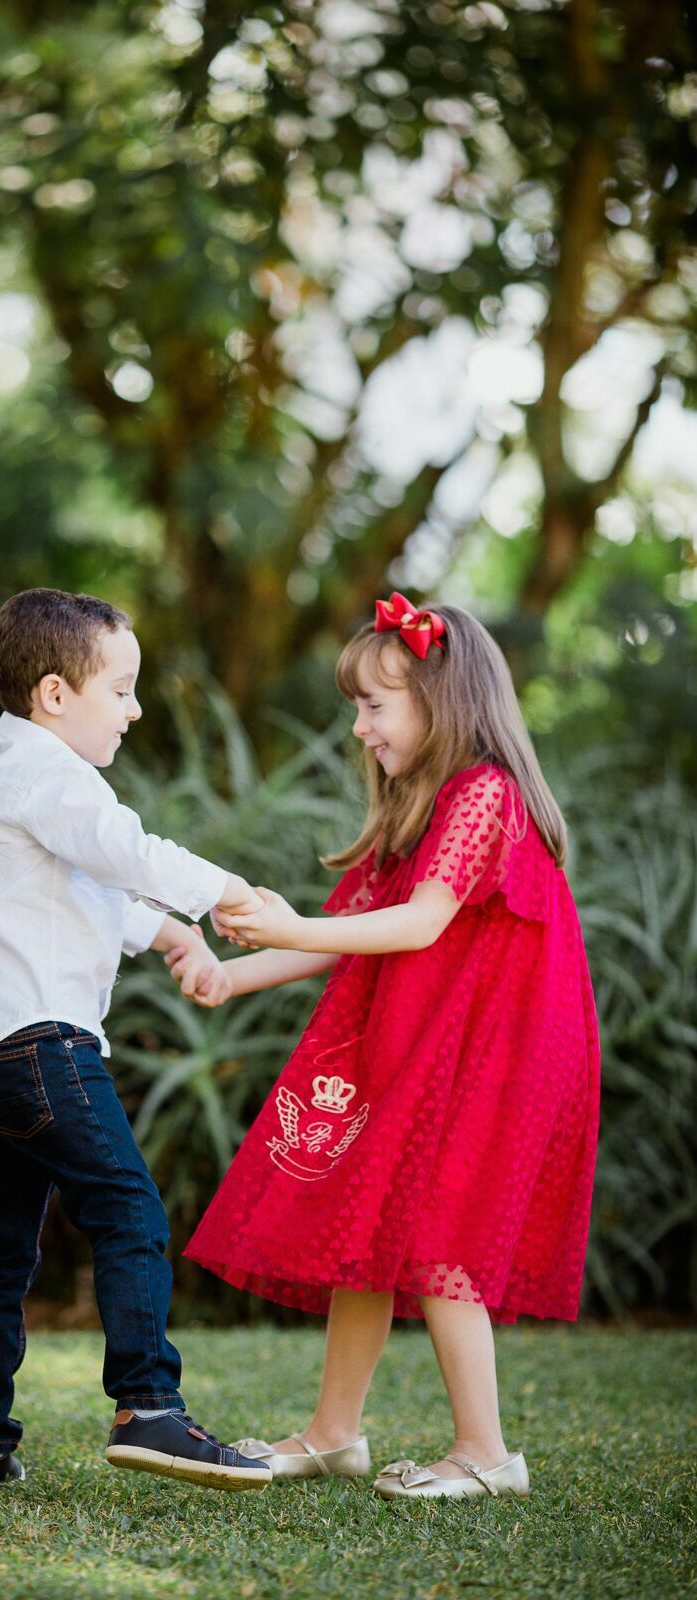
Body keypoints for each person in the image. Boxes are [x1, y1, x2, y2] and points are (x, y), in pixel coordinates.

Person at [174, 593, 600, 1500]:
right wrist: (231, 974)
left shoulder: (484, 794)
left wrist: (286, 925)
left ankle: (486, 1454)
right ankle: (333, 1433)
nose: (360, 728)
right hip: (421, 1039)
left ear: (440, 701)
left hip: (492, 1051)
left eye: (375, 705)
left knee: (440, 1234)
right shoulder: (422, 801)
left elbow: (416, 926)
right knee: (362, 1224)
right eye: (357, 708)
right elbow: (357, 926)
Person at [0, 587, 270, 1492]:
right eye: (120, 689)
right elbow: (122, 849)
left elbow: (76, 886)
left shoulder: (5, 774)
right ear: (52, 695)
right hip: (36, 1040)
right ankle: (148, 1407)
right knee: (126, 1206)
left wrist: (172, 935)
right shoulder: (51, 775)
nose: (135, 708)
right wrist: (229, 894)